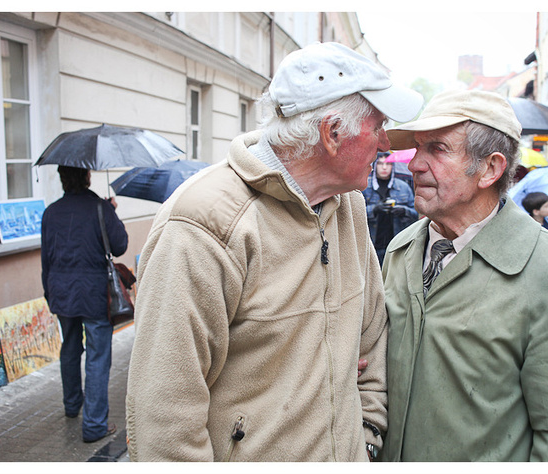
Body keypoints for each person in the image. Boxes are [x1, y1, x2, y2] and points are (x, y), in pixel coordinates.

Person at [125, 42, 423, 462]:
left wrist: (368, 437)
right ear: (332, 134)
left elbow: (372, 336)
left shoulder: (348, 206)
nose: (385, 143)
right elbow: (164, 417)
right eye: (377, 127)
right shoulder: (203, 225)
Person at [378, 89, 548, 462]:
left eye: (437, 149)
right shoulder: (401, 249)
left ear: (491, 169)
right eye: (417, 148)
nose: (414, 164)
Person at [41, 166, 128, 443]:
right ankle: (93, 425)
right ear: (87, 176)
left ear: (62, 178)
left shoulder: (51, 212)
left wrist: (49, 293)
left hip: (61, 293)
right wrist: (111, 211)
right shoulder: (101, 208)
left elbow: (46, 259)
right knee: (97, 357)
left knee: (69, 347)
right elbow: (120, 245)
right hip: (94, 295)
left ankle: (71, 405)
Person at [362, 152, 418, 265]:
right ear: (374, 165)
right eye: (380, 164)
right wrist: (375, 209)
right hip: (371, 244)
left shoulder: (403, 187)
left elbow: (416, 215)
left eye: (388, 164)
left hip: (396, 245)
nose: (384, 167)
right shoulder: (365, 186)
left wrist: (404, 211)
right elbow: (355, 214)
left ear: (393, 166)